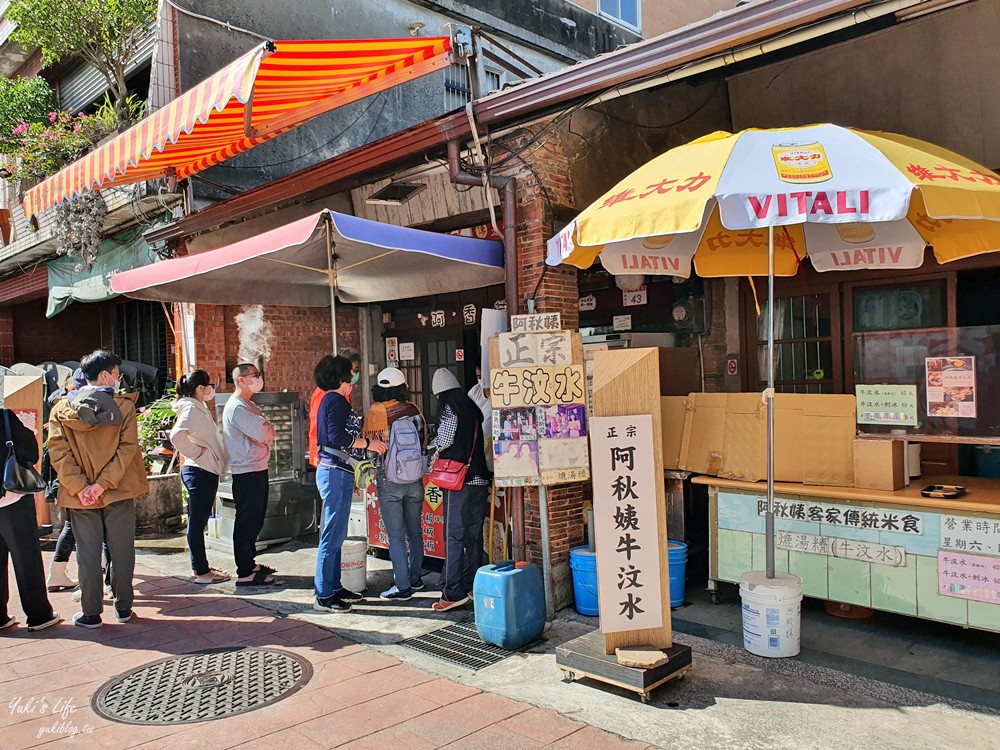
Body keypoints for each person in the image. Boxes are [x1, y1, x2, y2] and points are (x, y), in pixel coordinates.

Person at [48, 350, 148, 629]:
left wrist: (82, 488)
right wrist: (103, 484)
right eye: (117, 374)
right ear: (105, 375)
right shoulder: (124, 407)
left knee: (87, 553)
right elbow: (127, 449)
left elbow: (58, 454)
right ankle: (124, 608)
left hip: (80, 497)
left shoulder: (61, 410)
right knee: (121, 551)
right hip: (118, 490)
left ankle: (91, 613)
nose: (119, 379)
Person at [313, 355, 386, 612]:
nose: (354, 376)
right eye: (352, 372)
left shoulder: (331, 400)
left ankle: (334, 587)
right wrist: (368, 444)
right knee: (332, 535)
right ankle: (324, 594)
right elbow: (336, 436)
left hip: (337, 471)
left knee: (336, 533)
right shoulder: (335, 401)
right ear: (342, 377)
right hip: (334, 472)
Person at [429, 368, 492, 612]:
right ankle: (471, 585)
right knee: (473, 536)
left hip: (459, 482)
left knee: (453, 535)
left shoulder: (449, 408)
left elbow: (445, 440)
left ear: (439, 394)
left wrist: (433, 450)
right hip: (479, 479)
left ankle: (452, 591)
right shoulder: (471, 405)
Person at [362, 367, 425, 600]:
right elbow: (423, 441)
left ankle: (402, 586)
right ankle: (416, 578)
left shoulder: (374, 414)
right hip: (415, 478)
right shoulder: (413, 410)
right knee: (415, 531)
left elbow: (370, 454)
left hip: (389, 480)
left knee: (396, 535)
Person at [0, 406, 61, 632]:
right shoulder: (4, 416)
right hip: (11, 497)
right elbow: (30, 450)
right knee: (26, 557)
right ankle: (38, 615)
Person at [170, 370, 230, 585]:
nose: (212, 389)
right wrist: (197, 453)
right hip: (199, 471)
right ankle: (202, 572)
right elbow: (176, 435)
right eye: (209, 385)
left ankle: (201, 566)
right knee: (197, 524)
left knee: (198, 522)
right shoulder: (191, 409)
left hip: (202, 470)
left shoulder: (197, 407)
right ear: (200, 389)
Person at [222, 363, 277, 587]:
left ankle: (249, 562)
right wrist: (266, 430)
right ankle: (245, 571)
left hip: (256, 468)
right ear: (241, 380)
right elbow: (263, 431)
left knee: (255, 518)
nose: (259, 378)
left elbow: (266, 430)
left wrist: (266, 430)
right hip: (246, 471)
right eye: (254, 375)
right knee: (247, 519)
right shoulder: (237, 407)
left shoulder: (249, 405)